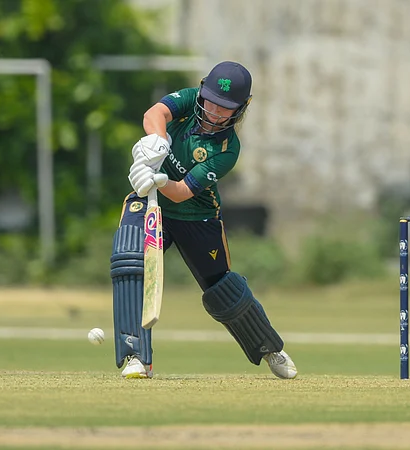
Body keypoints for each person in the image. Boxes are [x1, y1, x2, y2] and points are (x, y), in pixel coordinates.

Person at [111, 61, 297, 379]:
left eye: (225, 108)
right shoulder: (187, 99)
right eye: (210, 100)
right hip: (149, 202)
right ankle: (135, 356)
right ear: (202, 90)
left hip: (196, 216)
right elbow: (153, 114)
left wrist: (157, 179)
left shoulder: (227, 149)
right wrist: (157, 142)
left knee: (221, 289)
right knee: (130, 262)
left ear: (240, 108)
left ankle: (269, 348)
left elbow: (182, 192)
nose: (214, 111)